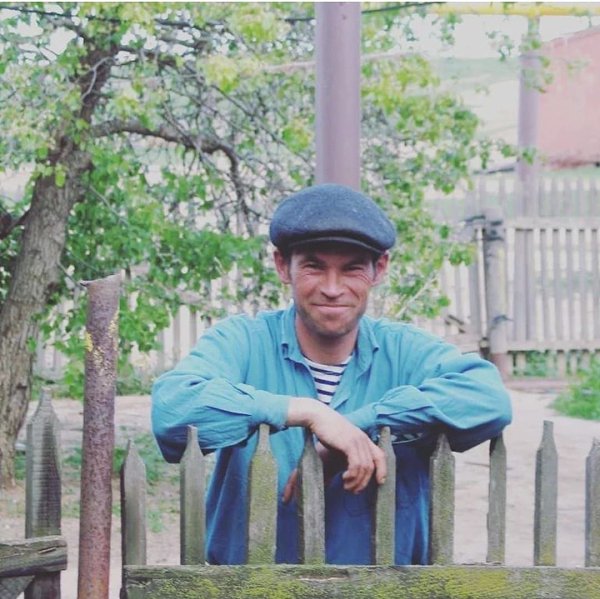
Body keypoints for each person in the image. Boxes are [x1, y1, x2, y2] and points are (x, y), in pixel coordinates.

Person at [151, 183, 512, 566]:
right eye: (314, 266)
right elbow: (173, 412)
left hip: (384, 590)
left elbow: (489, 399)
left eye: (352, 268)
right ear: (282, 266)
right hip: (253, 588)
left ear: (379, 269)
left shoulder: (405, 351)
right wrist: (307, 412)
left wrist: (361, 425)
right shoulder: (243, 342)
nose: (332, 288)